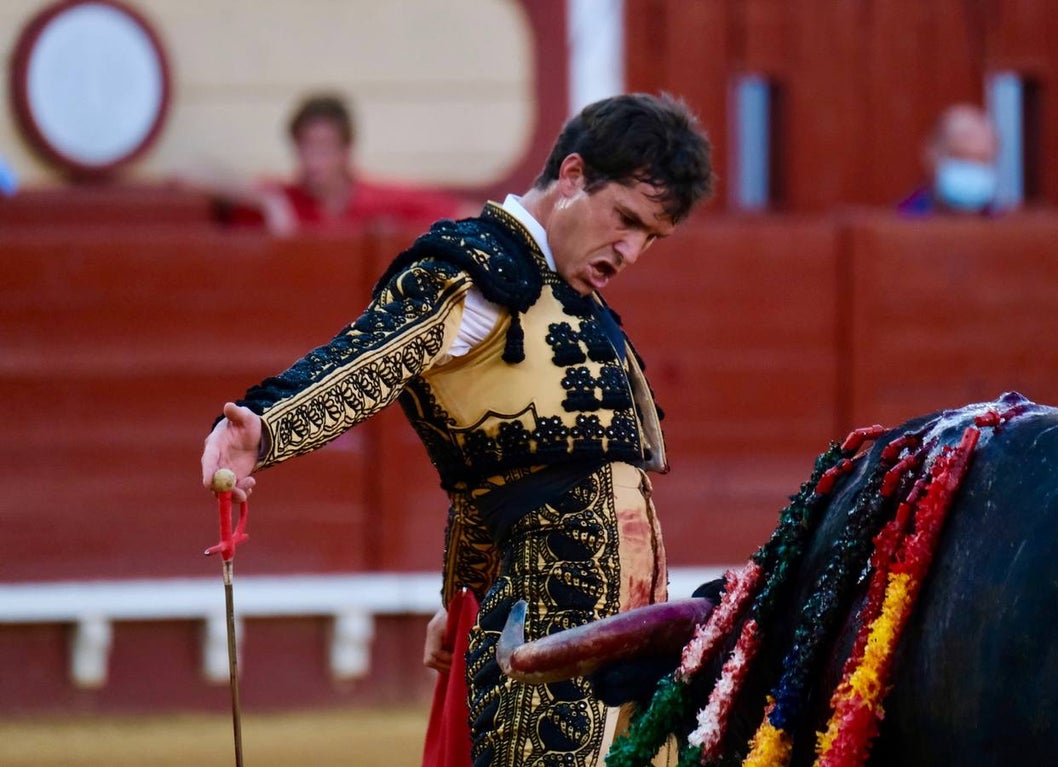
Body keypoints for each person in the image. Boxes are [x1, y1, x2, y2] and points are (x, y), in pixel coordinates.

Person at [200, 92, 714, 767]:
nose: (631, 250)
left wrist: (463, 597)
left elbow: (496, 482)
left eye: (650, 235)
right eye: (624, 219)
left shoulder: (569, 296)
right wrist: (263, 428)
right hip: (551, 636)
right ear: (570, 176)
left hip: (620, 645)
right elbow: (369, 359)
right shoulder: (472, 271)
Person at [182, 92, 469, 235]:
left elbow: (464, 213)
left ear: (346, 151)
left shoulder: (378, 198)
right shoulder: (283, 197)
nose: (313, 161)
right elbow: (192, 172)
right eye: (305, 148)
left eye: (324, 149)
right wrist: (266, 203)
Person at [897, 103, 1000, 216]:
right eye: (961, 157)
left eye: (982, 160)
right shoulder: (901, 224)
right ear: (932, 155)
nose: (971, 168)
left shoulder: (1004, 226)